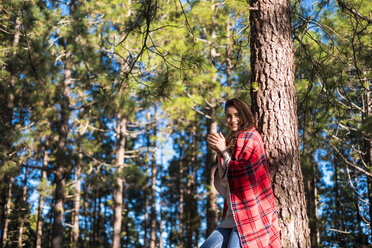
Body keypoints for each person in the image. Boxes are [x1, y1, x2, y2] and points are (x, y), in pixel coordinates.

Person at [201, 98, 281, 248]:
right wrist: (222, 151)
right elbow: (226, 179)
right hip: (232, 214)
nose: (232, 120)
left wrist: (223, 150)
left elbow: (243, 172)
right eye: (228, 116)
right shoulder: (232, 141)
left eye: (236, 115)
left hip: (249, 214)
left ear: (243, 114)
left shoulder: (252, 137)